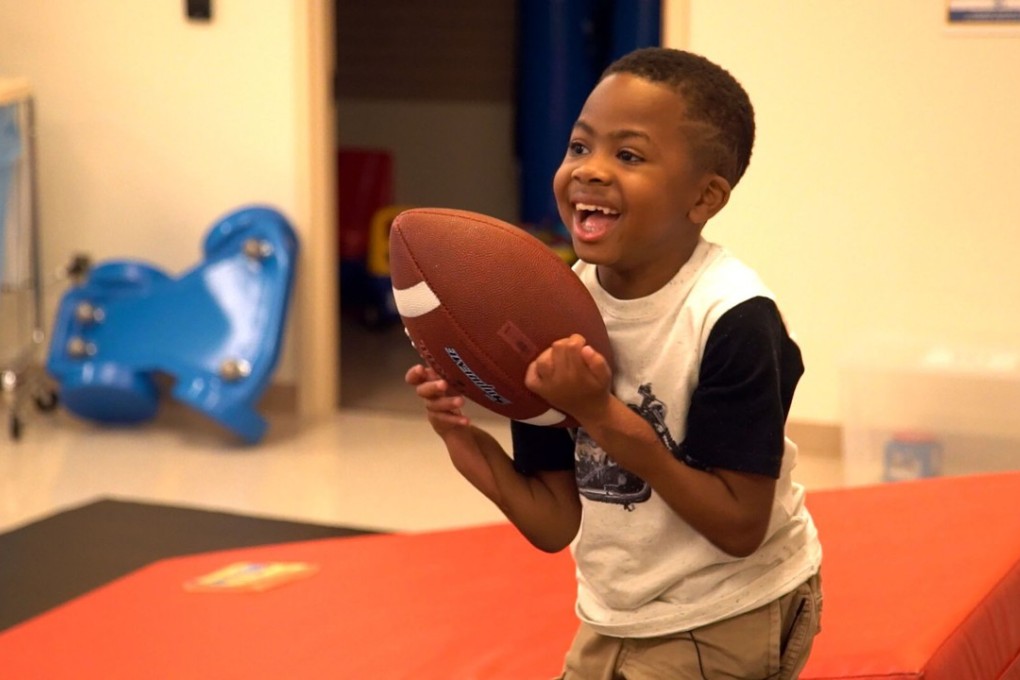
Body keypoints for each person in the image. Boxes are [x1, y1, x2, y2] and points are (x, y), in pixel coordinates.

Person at [406, 46, 823, 679]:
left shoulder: (733, 319)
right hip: (618, 613)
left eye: (627, 155)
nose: (589, 171)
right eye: (579, 147)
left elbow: (739, 527)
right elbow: (553, 521)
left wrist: (598, 412)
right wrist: (463, 442)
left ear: (705, 197)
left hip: (730, 609)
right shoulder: (548, 308)